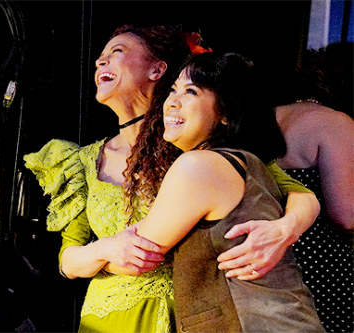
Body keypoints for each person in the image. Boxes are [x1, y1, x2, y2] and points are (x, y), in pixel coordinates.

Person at [24, 25, 319, 333]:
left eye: (117, 52)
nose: (100, 61)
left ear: (157, 69)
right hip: (108, 317)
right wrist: (103, 250)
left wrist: (287, 228)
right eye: (100, 56)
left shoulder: (195, 145)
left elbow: (297, 193)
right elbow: (67, 259)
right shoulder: (84, 160)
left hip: (190, 310)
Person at [119, 52, 325, 332]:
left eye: (191, 91)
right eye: (172, 90)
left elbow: (140, 253)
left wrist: (79, 258)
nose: (172, 102)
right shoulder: (246, 161)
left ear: (226, 113)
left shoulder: (199, 165)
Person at [273, 46, 354, 332]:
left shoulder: (269, 115)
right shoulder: (334, 122)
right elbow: (346, 217)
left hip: (270, 264)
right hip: (320, 269)